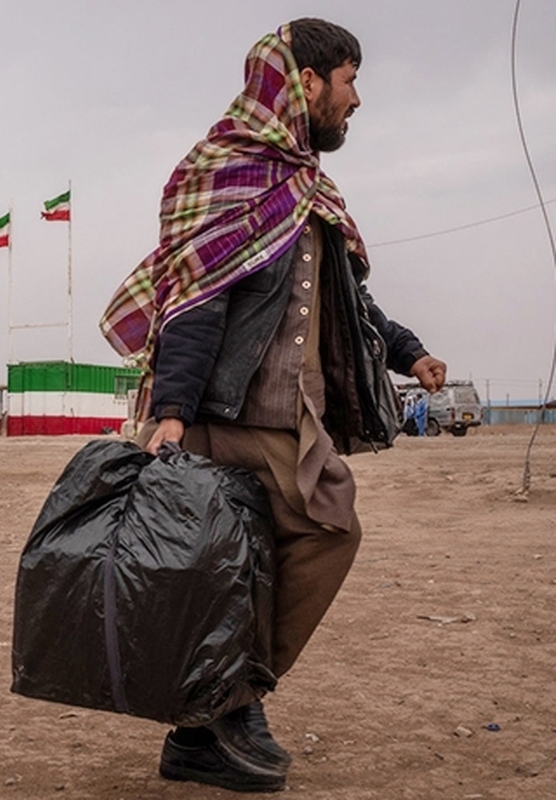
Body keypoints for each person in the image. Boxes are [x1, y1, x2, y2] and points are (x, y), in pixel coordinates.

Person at [100, 19, 447, 793]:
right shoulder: (225, 171)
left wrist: (408, 350)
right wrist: (172, 414)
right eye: (349, 80)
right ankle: (228, 703)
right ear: (306, 82)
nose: (357, 99)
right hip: (235, 416)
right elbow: (195, 302)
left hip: (294, 414)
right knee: (328, 526)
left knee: (242, 570)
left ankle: (211, 720)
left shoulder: (308, 187)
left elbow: (351, 301)